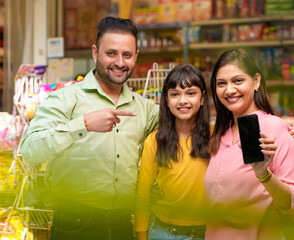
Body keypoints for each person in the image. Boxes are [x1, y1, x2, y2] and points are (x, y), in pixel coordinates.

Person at [19, 17, 159, 240]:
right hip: (74, 224)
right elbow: (29, 150)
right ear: (95, 52)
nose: (120, 62)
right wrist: (82, 125)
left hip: (123, 222)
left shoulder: (144, 108)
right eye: (111, 53)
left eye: (127, 55)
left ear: (136, 57)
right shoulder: (65, 99)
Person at [204, 48, 294, 240]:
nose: (229, 90)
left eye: (238, 81)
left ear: (256, 81)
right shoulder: (220, 134)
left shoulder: (274, 129)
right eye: (221, 83)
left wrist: (264, 175)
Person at [135, 64, 212, 240]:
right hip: (162, 232)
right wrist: (141, 234)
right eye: (175, 94)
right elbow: (142, 195)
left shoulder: (215, 138)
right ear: (167, 100)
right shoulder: (154, 141)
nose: (183, 101)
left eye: (191, 93)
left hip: (206, 233)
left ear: (202, 98)